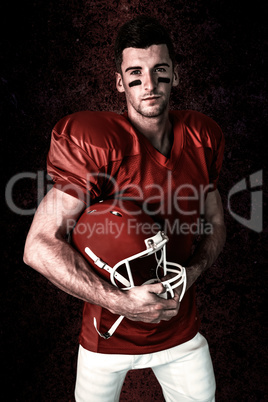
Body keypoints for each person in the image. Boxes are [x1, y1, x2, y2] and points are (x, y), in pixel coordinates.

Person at [24, 15, 226, 402]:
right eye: (135, 73)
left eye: (159, 71)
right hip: (108, 336)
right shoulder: (98, 145)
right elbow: (37, 245)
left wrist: (193, 272)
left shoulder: (203, 137)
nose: (148, 85)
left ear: (176, 76)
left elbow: (215, 221)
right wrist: (121, 302)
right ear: (120, 82)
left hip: (180, 331)